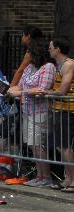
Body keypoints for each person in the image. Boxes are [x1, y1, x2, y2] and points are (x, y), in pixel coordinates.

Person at [9, 38, 58, 188]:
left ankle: (46, 176)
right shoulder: (30, 67)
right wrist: (25, 91)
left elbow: (42, 89)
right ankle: (39, 175)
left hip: (41, 111)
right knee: (31, 144)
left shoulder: (48, 67)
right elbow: (16, 87)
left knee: (37, 143)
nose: (26, 54)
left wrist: (22, 92)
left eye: (29, 51)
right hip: (27, 110)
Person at [46, 36, 74, 191]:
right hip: (60, 109)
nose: (49, 50)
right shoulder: (60, 65)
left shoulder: (69, 64)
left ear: (57, 49)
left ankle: (73, 180)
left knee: (64, 146)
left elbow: (63, 89)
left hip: (68, 110)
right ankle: (68, 178)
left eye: (51, 47)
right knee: (59, 146)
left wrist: (47, 93)